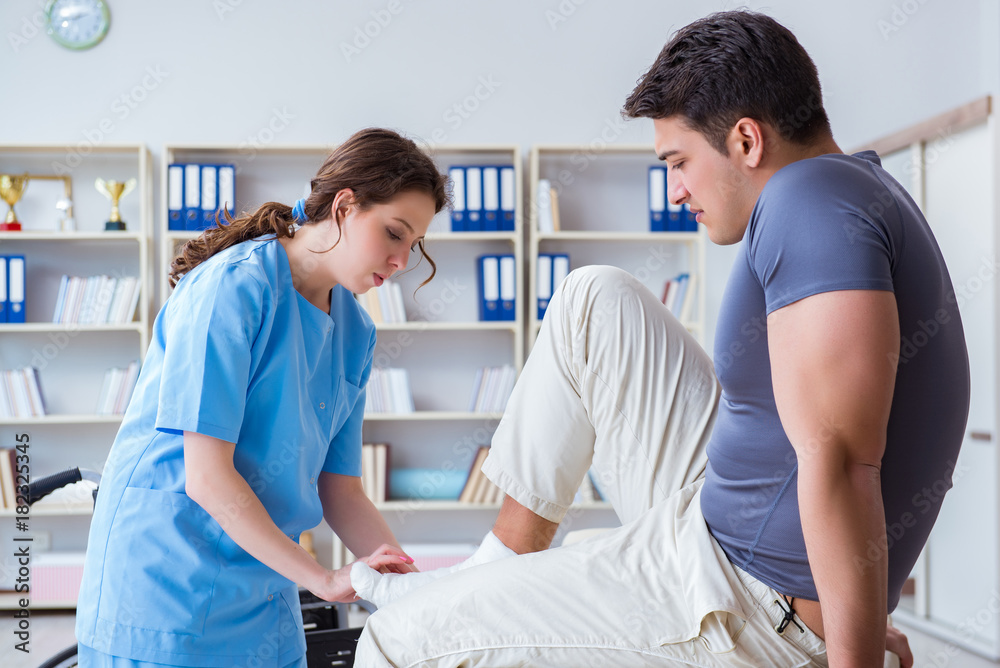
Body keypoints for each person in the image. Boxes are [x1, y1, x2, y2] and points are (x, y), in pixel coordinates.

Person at [352, 11, 970, 668]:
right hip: (717, 516)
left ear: (746, 141)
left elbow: (844, 462)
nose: (675, 191)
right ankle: (493, 566)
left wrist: (851, 648)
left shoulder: (808, 203)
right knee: (595, 299)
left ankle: (460, 599)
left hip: (748, 596)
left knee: (395, 640)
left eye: (679, 163)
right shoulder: (850, 187)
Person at [75, 127, 449, 667]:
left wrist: (408, 585)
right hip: (164, 589)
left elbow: (340, 488)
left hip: (263, 590)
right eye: (394, 233)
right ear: (345, 206)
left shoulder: (355, 332)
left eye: (414, 245)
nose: (401, 261)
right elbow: (207, 476)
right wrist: (323, 579)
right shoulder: (234, 287)